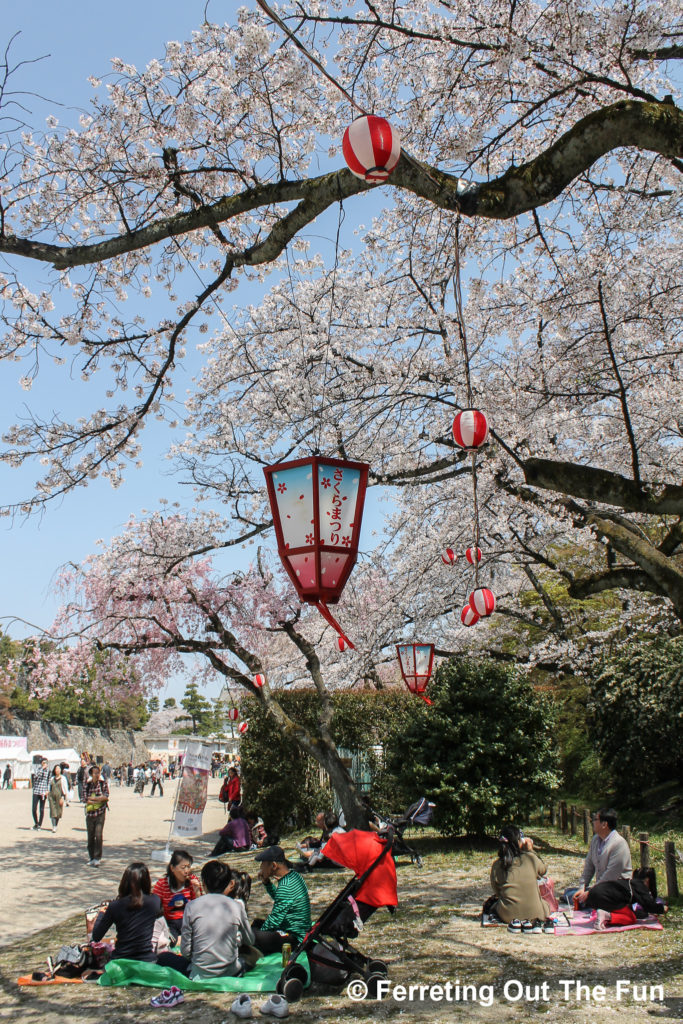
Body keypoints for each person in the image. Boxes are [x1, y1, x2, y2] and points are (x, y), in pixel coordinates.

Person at [157, 860, 254, 979]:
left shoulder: (191, 906)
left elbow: (186, 951)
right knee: (247, 960)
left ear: (204, 883)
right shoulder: (236, 906)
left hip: (200, 973)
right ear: (229, 883)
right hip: (231, 971)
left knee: (163, 957)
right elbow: (250, 940)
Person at [91, 862, 162, 961]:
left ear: (125, 881)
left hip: (121, 960)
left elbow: (96, 936)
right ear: (147, 881)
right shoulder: (155, 901)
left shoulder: (115, 906)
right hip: (147, 960)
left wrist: (101, 913)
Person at [251, 846, 311, 954]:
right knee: (257, 924)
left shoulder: (285, 887)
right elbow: (280, 898)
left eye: (263, 864)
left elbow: (274, 920)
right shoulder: (294, 876)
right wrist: (267, 883)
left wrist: (256, 937)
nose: (261, 867)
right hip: (298, 930)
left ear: (273, 865)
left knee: (255, 934)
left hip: (295, 938)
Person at [488, 826, 550, 927]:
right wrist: (530, 850)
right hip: (536, 914)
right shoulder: (530, 858)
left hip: (507, 915)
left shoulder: (497, 865)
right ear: (519, 842)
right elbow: (543, 870)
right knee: (546, 904)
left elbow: (497, 891)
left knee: (494, 905)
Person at [574, 808, 632, 907]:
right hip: (601, 888)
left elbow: (611, 875)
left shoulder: (619, 843)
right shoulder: (596, 840)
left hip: (617, 889)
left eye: (595, 819)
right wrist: (582, 887)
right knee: (572, 893)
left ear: (604, 824)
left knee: (595, 895)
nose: (592, 822)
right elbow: (589, 866)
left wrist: (590, 893)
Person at [153, 850, 202, 941]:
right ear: (172, 868)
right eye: (183, 867)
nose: (186, 871)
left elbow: (200, 907)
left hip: (189, 922)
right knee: (170, 941)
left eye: (188, 867)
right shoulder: (162, 884)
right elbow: (155, 908)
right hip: (170, 924)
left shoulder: (193, 881)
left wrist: (197, 892)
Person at [83, 763, 109, 866]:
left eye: (98, 773)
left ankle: (97, 857)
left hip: (100, 813)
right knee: (90, 836)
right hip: (90, 814)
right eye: (95, 773)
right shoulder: (87, 784)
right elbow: (85, 798)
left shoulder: (103, 783)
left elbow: (106, 796)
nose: (97, 775)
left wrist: (93, 799)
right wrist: (98, 799)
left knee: (98, 835)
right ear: (91, 774)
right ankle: (91, 857)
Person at [48, 763, 69, 832]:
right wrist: (48, 793)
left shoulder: (63, 778)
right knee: (53, 811)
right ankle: (54, 826)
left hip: (60, 796)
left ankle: (56, 824)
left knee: (58, 812)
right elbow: (49, 787)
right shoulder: (52, 779)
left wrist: (64, 798)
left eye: (59, 769)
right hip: (52, 796)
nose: (57, 770)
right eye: (56, 769)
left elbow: (65, 789)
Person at [31, 757, 50, 830]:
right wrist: (42, 769)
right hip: (36, 791)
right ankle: (36, 822)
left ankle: (39, 824)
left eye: (46, 762)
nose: (45, 764)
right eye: (43, 762)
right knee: (33, 809)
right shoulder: (38, 769)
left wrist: (47, 790)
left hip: (43, 792)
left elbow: (48, 781)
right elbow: (35, 776)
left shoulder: (49, 771)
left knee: (41, 809)